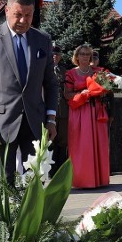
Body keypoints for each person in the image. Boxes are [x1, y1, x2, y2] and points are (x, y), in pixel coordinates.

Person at [0, 0, 57, 182]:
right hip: (1, 124)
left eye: (28, 15)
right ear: (7, 10)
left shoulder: (43, 39)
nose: (24, 21)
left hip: (36, 122)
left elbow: (51, 83)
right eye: (18, 15)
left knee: (36, 181)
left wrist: (51, 118)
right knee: (5, 181)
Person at [64, 44, 110, 188]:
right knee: (82, 146)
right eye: (82, 54)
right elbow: (66, 94)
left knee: (99, 144)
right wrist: (82, 94)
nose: (84, 57)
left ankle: (100, 179)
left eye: (87, 54)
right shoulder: (70, 73)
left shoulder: (98, 71)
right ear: (76, 56)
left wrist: (102, 91)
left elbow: (108, 88)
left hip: (96, 111)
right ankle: (82, 180)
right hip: (79, 112)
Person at [50, 44, 68, 174]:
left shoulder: (64, 71)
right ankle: (50, 171)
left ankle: (60, 171)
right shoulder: (44, 69)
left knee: (62, 142)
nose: (55, 56)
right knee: (50, 142)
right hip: (49, 112)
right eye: (52, 54)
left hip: (63, 111)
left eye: (57, 54)